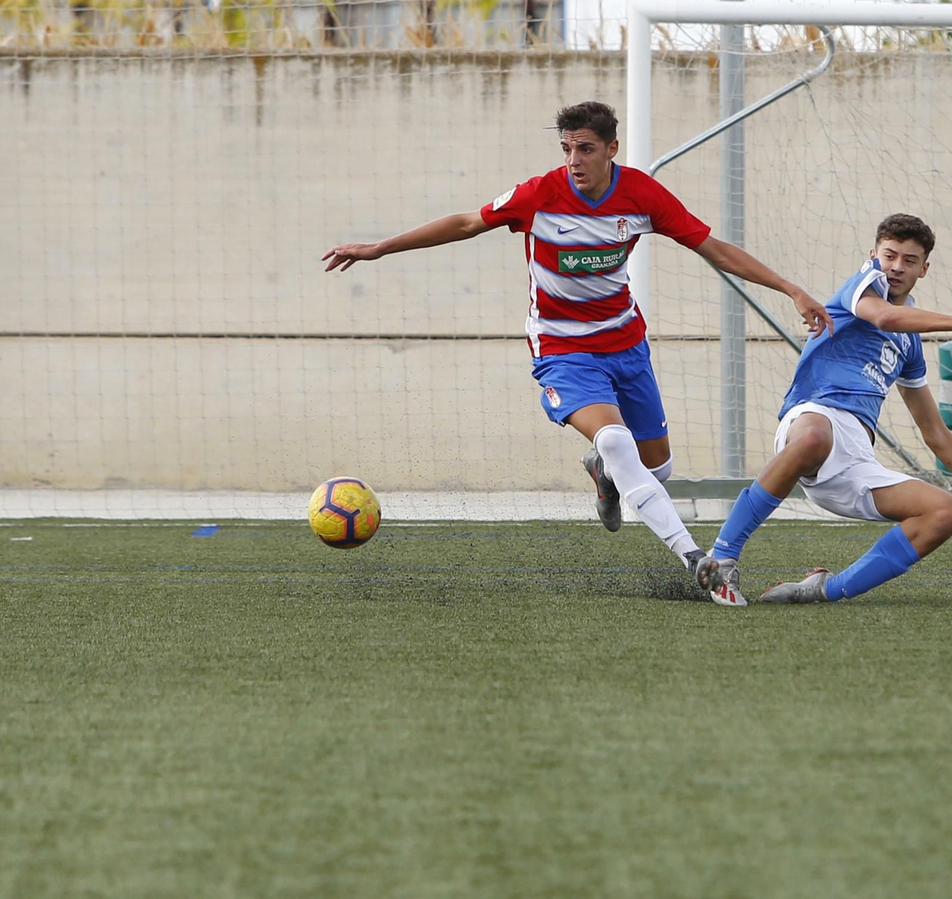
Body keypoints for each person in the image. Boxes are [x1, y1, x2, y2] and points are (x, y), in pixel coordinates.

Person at [323, 100, 832, 591]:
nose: (573, 160)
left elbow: (713, 247)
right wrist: (379, 248)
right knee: (614, 441)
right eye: (566, 148)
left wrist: (791, 288)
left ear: (612, 148)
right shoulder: (539, 194)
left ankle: (603, 474)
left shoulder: (641, 196)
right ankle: (694, 558)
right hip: (561, 350)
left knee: (657, 467)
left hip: (626, 345)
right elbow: (466, 223)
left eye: (585, 149)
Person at [695, 213, 952, 607]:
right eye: (890, 255)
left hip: (854, 458)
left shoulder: (910, 346)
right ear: (873, 255)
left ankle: (825, 589)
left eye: (909, 260)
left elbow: (934, 431)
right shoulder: (862, 286)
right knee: (815, 435)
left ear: (924, 269)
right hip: (813, 419)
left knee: (946, 511)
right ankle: (722, 557)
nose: (897, 267)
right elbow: (884, 316)